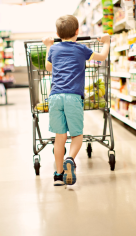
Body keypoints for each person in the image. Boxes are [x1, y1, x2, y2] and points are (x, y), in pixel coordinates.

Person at [42, 15, 110, 186]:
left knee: (60, 137)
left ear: (57, 33)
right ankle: (70, 159)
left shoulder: (55, 49)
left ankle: (58, 174)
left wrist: (49, 46)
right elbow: (102, 57)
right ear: (77, 32)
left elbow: (48, 67)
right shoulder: (82, 49)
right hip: (73, 97)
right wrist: (107, 42)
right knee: (77, 135)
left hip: (55, 97)